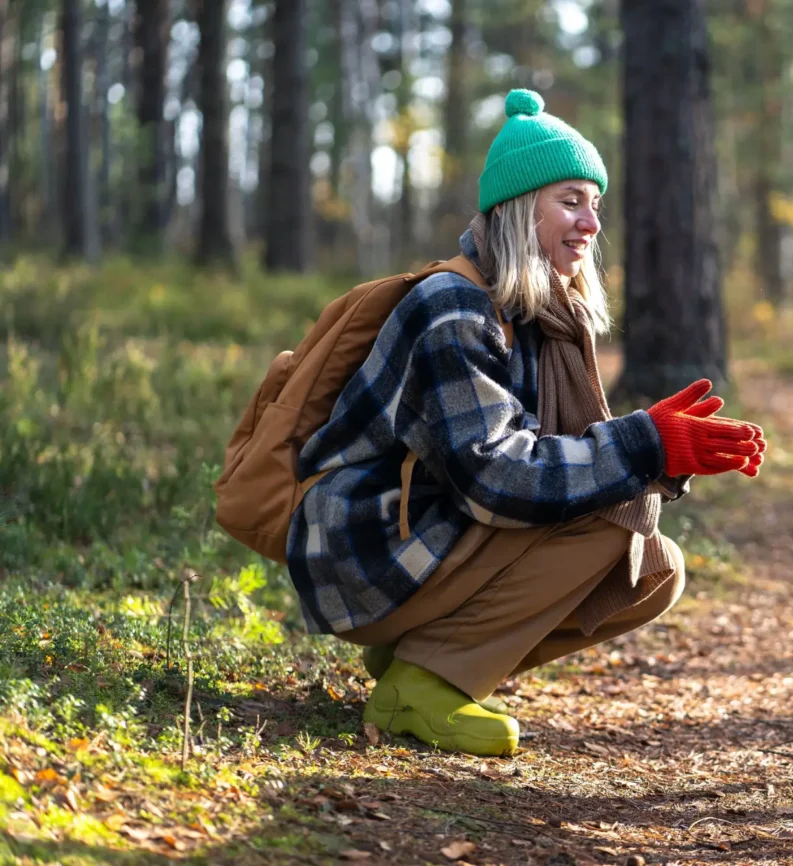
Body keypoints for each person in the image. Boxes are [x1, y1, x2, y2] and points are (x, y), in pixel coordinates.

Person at [286, 89, 766, 756]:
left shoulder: (537, 311)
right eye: (570, 200)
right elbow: (496, 476)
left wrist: (665, 454)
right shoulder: (455, 308)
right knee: (611, 515)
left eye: (594, 204)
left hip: (425, 530)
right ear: (517, 209)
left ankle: (424, 656)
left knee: (653, 571)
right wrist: (641, 444)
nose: (591, 223)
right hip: (363, 545)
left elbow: (546, 459)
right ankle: (420, 687)